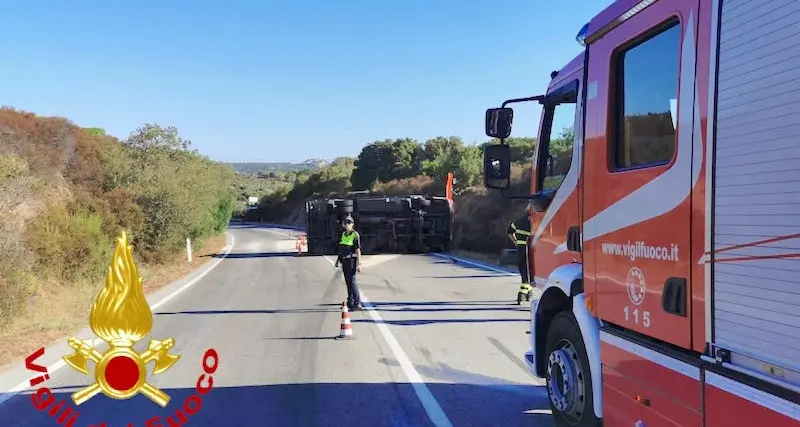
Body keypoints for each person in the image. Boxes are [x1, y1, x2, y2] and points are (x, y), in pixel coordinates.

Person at [334, 215, 362, 310]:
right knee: (347, 281)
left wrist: (359, 264)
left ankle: (357, 302)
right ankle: (351, 300)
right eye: (345, 223)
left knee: (352, 281)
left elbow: (358, 250)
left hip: (351, 261)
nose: (346, 225)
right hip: (344, 260)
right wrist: (338, 260)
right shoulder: (343, 234)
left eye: (349, 223)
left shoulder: (355, 235)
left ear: (352, 224)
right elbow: (341, 249)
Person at [507, 205, 533, 305]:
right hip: (528, 249)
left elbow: (509, 231)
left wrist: (515, 241)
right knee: (528, 272)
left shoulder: (519, 222)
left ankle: (528, 292)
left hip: (520, 248)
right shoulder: (532, 223)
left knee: (523, 270)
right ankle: (522, 294)